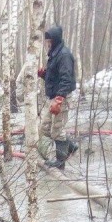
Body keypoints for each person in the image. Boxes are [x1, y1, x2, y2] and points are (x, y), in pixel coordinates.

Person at [37, 26, 78, 169]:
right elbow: (55, 75)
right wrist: (44, 74)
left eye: (49, 41)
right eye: (46, 41)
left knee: (57, 130)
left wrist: (60, 99)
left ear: (55, 40)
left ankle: (61, 163)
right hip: (53, 97)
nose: (47, 43)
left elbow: (66, 78)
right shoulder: (54, 54)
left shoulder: (64, 55)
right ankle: (71, 147)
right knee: (45, 128)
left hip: (62, 97)